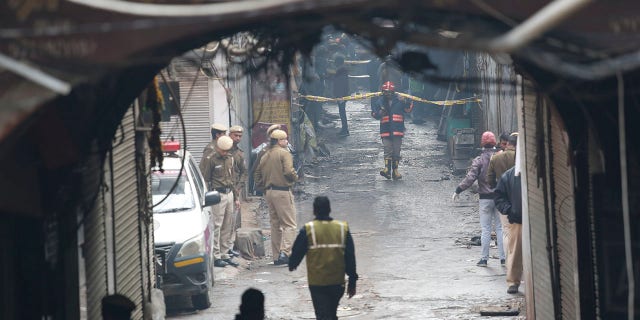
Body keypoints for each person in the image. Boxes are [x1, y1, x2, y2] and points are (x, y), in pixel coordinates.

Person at [289, 196, 358, 320]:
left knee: (322, 314)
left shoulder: (308, 229)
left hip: (317, 284)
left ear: (314, 211)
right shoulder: (342, 228)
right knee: (331, 313)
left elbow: (297, 251)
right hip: (337, 283)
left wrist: (293, 264)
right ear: (329, 209)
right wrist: (352, 281)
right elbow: (350, 257)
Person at [452, 131, 505, 267]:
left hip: (485, 199)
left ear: (482, 143)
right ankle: (503, 258)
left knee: (486, 229)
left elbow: (470, 178)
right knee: (500, 228)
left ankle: (484, 259)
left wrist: (458, 190)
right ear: (494, 143)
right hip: (500, 198)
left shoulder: (479, 160)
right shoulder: (501, 157)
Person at [254, 129, 298, 265]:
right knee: (290, 224)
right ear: (279, 141)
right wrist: (295, 177)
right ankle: (285, 252)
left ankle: (276, 256)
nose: (287, 141)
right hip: (283, 192)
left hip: (269, 193)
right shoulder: (284, 153)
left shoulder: (265, 155)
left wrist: (263, 188)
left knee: (275, 225)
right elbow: (289, 171)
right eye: (285, 139)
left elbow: (257, 175)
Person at [200, 135, 239, 268]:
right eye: (223, 151)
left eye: (227, 151)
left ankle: (225, 253)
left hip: (229, 194)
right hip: (218, 194)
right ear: (218, 148)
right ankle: (216, 256)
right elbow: (205, 178)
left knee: (228, 225)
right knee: (217, 225)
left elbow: (233, 178)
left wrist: (236, 197)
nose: (225, 153)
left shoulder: (230, 159)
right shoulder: (211, 159)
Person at [371, 81, 412, 180]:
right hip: (385, 130)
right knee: (387, 150)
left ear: (393, 92)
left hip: (397, 130)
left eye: (389, 92)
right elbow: (374, 114)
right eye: (385, 92)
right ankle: (387, 170)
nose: (388, 94)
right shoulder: (379, 101)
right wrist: (379, 113)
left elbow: (408, 110)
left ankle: (395, 171)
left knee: (396, 151)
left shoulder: (399, 100)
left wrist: (405, 101)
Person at [487, 133, 518, 264]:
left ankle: (508, 259)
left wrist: (497, 186)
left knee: (506, 230)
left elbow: (490, 179)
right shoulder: (520, 157)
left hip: (504, 199)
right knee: (520, 230)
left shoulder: (496, 158)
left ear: (507, 144)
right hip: (519, 198)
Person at [494, 166, 523, 294]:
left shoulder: (509, 175)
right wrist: (509, 210)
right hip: (518, 219)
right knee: (515, 251)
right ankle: (513, 281)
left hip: (524, 217)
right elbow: (499, 197)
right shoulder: (509, 175)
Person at [228, 125, 248, 257]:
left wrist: (239, 187)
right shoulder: (223, 150)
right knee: (223, 221)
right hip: (223, 189)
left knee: (233, 220)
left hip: (235, 190)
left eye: (240, 136)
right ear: (230, 135)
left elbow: (244, 172)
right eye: (235, 135)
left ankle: (230, 246)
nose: (238, 138)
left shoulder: (239, 153)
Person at [330, 54, 350, 136]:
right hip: (342, 94)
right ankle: (344, 129)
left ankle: (345, 130)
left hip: (341, 95)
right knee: (342, 112)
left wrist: (339, 95)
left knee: (342, 112)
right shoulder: (342, 69)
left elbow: (341, 84)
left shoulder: (341, 70)